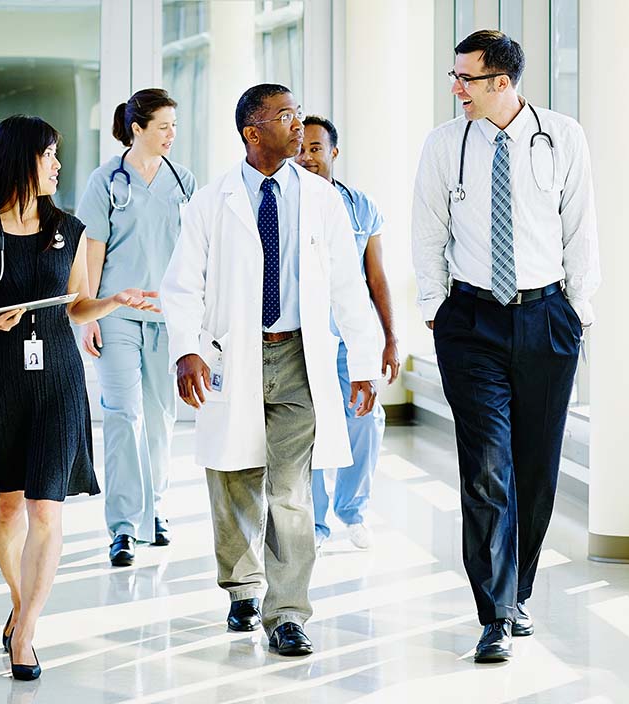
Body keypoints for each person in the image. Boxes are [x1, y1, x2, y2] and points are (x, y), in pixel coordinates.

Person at [0, 115, 159, 680]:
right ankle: (18, 599)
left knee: (46, 508)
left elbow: (77, 305)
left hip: (58, 378)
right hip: (1, 379)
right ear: (21, 160)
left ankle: (27, 631)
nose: (59, 165)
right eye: (50, 155)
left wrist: (113, 302)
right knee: (8, 506)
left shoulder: (70, 228)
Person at [160, 84, 382, 657]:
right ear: (252, 132)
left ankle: (287, 612)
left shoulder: (321, 199)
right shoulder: (210, 202)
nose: (298, 124)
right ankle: (242, 586)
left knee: (290, 491)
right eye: (285, 116)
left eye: (298, 113)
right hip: (231, 355)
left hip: (298, 354)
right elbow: (183, 285)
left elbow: (346, 287)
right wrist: (186, 350)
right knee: (233, 478)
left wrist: (363, 360)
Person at [411, 30, 600, 663]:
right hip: (470, 321)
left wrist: (577, 310)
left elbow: (581, 227)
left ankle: (518, 591)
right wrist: (437, 308)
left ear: (503, 82)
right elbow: (427, 229)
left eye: (467, 78)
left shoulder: (562, 137)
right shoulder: (445, 144)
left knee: (537, 465)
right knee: (487, 465)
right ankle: (493, 614)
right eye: (454, 76)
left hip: (545, 316)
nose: (456, 88)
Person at [76, 89, 197, 567]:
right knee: (124, 415)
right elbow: (92, 252)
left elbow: (192, 256)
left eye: (174, 125)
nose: (172, 134)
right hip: (117, 316)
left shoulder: (183, 181)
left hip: (167, 319)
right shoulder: (106, 180)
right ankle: (124, 526)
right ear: (137, 129)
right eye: (163, 126)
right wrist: (88, 314)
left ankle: (156, 510)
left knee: (161, 419)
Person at [296, 115, 399, 551]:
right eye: (301, 148)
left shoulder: (361, 207)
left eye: (316, 148)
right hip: (303, 337)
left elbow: (376, 278)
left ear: (333, 153)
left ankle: (352, 510)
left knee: (366, 419)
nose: (307, 157)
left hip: (351, 336)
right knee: (312, 427)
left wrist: (390, 337)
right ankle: (315, 524)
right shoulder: (287, 203)